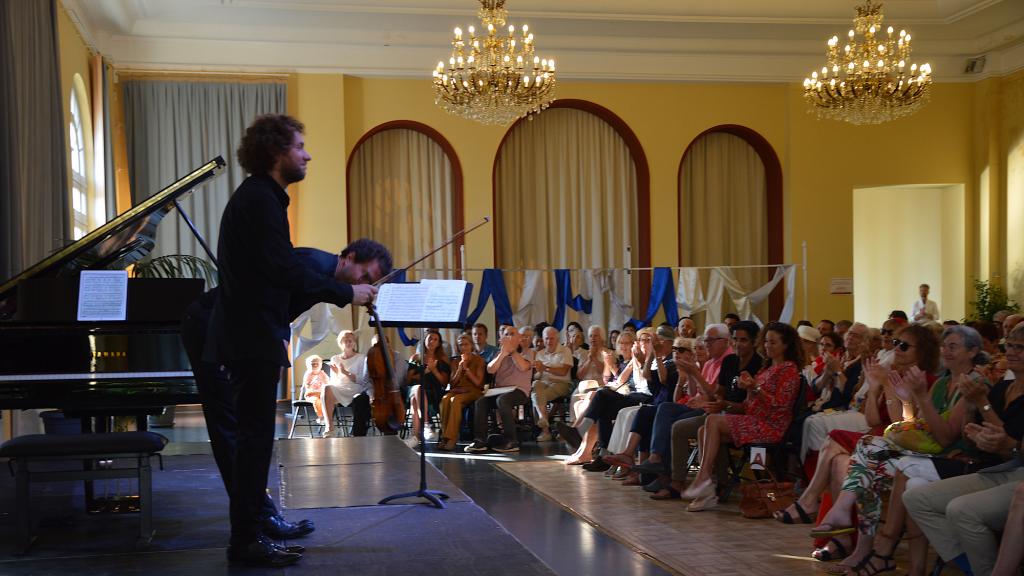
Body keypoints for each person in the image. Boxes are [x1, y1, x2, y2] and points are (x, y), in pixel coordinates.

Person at [206, 114, 385, 567]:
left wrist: (348, 289)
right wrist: (347, 291)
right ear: (276, 150)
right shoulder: (261, 201)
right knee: (251, 440)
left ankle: (254, 529)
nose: (308, 154)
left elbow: (281, 271)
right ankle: (245, 540)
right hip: (248, 334)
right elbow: (283, 269)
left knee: (253, 440)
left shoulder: (263, 199)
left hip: (250, 333)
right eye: (300, 146)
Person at [182, 241, 390, 566]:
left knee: (246, 435)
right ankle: (250, 532)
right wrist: (348, 294)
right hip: (210, 326)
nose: (362, 281)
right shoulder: (311, 262)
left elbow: (282, 304)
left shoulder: (322, 273)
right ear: (348, 257)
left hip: (239, 331)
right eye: (364, 273)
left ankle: (263, 518)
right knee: (230, 432)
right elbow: (306, 283)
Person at [437, 333, 485, 451]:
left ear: (471, 345)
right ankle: (444, 437)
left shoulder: (479, 360)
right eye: (460, 345)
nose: (463, 347)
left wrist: (467, 369)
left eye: (466, 344)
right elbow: (452, 383)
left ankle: (452, 438)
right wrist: (459, 368)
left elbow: (479, 383)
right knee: (445, 399)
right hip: (458, 390)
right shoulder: (454, 361)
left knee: (455, 400)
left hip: (473, 391)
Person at [322, 330, 370, 437]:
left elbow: (362, 380)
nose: (349, 343)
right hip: (340, 387)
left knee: (330, 389)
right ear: (340, 343)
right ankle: (329, 427)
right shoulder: (335, 358)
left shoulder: (361, 358)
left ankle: (355, 430)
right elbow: (335, 381)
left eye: (351, 340)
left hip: (355, 389)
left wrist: (345, 372)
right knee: (327, 387)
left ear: (354, 342)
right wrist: (337, 374)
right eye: (346, 340)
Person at [301, 354, 329, 423]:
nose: (315, 365)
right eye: (312, 364)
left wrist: (324, 380)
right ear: (308, 366)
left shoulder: (322, 373)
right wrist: (309, 382)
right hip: (312, 393)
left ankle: (328, 416)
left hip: (322, 393)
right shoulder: (308, 374)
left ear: (321, 365)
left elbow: (327, 383)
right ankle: (321, 416)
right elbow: (307, 386)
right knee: (316, 401)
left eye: (317, 364)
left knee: (328, 399)